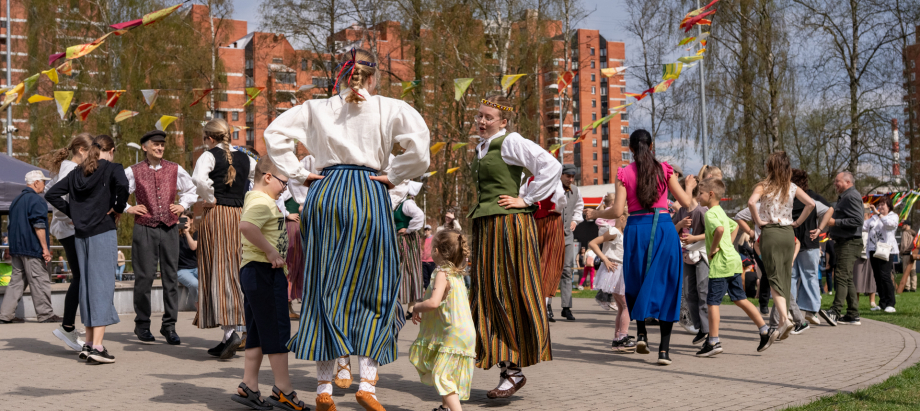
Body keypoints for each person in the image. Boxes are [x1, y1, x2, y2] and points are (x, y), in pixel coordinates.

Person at [263, 47, 430, 410]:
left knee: (326, 285)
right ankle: (367, 383)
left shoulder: (315, 108)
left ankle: (324, 387)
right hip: (370, 192)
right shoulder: (391, 108)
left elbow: (274, 134)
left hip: (326, 192)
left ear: (341, 74)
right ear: (373, 75)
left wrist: (299, 173)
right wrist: (395, 174)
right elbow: (420, 151)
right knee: (377, 285)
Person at [466, 95, 559, 397]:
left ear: (503, 122)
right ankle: (508, 368)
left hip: (509, 226)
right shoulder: (482, 148)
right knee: (489, 294)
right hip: (487, 225)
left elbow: (550, 165)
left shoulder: (510, 141)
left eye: (488, 117)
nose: (481, 121)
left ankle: (513, 370)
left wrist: (527, 199)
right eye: (479, 116)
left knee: (508, 290)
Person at [586, 129, 697, 366]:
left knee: (635, 282)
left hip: (637, 229)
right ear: (652, 145)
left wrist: (595, 212)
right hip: (664, 229)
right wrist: (689, 186)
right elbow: (687, 203)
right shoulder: (665, 170)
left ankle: (642, 335)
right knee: (668, 285)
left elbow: (617, 211)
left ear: (630, 148)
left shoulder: (624, 173)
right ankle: (664, 352)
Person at [230, 157, 306, 411]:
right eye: (283, 181)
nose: (285, 187)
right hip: (264, 271)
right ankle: (284, 389)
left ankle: (248, 385)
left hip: (255, 272)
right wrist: (272, 252)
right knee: (277, 330)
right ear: (268, 177)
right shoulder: (262, 202)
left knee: (259, 331)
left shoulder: (259, 200)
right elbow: (247, 227)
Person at [45, 134, 129, 364]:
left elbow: (50, 193)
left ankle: (90, 344)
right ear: (110, 150)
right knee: (101, 286)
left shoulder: (76, 173)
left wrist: (75, 213)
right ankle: (98, 347)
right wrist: (118, 208)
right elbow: (123, 186)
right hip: (102, 231)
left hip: (81, 235)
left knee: (88, 288)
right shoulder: (112, 168)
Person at [123, 130, 198, 346]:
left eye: (162, 145)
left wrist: (182, 205)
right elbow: (117, 193)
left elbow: (192, 189)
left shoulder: (175, 168)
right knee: (144, 277)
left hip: (169, 227)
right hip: (144, 227)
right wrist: (129, 208)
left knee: (170, 277)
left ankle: (169, 326)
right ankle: (142, 324)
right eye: (155, 144)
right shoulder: (133, 170)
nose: (160, 148)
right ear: (144, 147)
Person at [192, 118, 256, 359]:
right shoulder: (244, 156)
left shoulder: (208, 156)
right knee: (236, 268)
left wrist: (210, 197)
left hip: (217, 215)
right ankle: (234, 331)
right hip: (239, 216)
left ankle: (230, 333)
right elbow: (259, 176)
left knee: (219, 269)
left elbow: (198, 180)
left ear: (209, 138)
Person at [694, 178, 775, 357]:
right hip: (733, 261)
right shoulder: (720, 211)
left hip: (721, 264)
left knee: (712, 302)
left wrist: (715, 247)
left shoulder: (709, 214)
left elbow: (720, 230)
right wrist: (728, 246)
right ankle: (764, 330)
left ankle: (713, 341)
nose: (698, 197)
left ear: (710, 194)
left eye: (700, 193)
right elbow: (734, 226)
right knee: (740, 299)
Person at [746, 152, 815, 341]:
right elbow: (811, 204)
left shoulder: (764, 186)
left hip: (771, 233)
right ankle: (785, 319)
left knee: (774, 278)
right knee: (783, 279)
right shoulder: (792, 187)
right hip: (788, 234)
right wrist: (798, 223)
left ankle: (784, 319)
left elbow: (751, 202)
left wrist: (759, 220)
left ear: (770, 167)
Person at [409, 229, 476, 411]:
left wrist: (414, 307)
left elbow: (433, 303)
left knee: (442, 376)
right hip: (464, 333)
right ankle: (446, 408)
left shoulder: (442, 273)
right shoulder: (456, 274)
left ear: (436, 251)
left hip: (453, 333)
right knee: (448, 374)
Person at [43, 133, 92, 347]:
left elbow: (48, 188)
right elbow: (55, 196)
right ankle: (68, 327)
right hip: (70, 231)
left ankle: (69, 326)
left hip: (68, 229)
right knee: (81, 278)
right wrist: (72, 217)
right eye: (92, 152)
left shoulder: (68, 168)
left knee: (80, 277)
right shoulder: (70, 169)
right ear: (82, 150)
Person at [0, 170, 61, 324]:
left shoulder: (16, 200)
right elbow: (39, 225)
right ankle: (45, 314)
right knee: (40, 280)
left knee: (16, 281)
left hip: (17, 248)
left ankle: (5, 315)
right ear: (36, 183)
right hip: (32, 248)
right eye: (43, 182)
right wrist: (45, 249)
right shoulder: (36, 200)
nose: (44, 185)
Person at [789, 169, 833, 333]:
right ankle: (812, 310)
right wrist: (820, 228)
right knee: (810, 275)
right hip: (810, 241)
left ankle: (790, 311)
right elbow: (830, 209)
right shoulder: (811, 198)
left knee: (791, 277)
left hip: (792, 243)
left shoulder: (788, 198)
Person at [818, 171, 864, 326]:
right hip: (844, 242)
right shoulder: (846, 196)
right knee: (847, 278)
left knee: (841, 276)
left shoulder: (851, 196)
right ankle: (853, 314)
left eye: (837, 181)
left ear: (847, 182)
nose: (835, 184)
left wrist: (834, 223)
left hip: (849, 243)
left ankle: (835, 312)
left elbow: (858, 220)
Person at [588, 211, 635, 352]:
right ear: (622, 218)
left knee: (621, 307)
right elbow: (593, 243)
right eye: (628, 221)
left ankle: (617, 338)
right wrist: (605, 259)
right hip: (615, 272)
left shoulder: (621, 233)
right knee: (627, 306)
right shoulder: (614, 231)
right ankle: (622, 337)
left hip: (619, 271)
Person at [521, 176, 566, 323]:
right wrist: (556, 209)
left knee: (532, 261)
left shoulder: (529, 179)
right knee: (550, 262)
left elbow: (521, 197)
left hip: (533, 220)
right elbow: (560, 197)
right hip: (551, 220)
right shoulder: (553, 176)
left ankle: (530, 303)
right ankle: (542, 306)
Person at [672, 177, 710, 346]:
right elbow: (672, 231)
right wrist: (680, 224)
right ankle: (700, 327)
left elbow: (713, 233)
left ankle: (708, 330)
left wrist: (694, 238)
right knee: (689, 292)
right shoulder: (681, 212)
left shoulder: (702, 211)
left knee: (703, 292)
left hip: (701, 256)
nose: (677, 199)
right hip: (687, 257)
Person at [391, 180, 426, 310]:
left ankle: (411, 307)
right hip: (397, 239)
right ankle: (401, 305)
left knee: (410, 269)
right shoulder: (396, 203)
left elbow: (419, 215)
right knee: (399, 270)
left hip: (407, 240)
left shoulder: (407, 203)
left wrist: (408, 229)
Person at [555, 164, 584, 321]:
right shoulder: (552, 187)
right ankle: (547, 307)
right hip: (552, 234)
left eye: (573, 177)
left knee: (567, 271)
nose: (571, 179)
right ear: (561, 175)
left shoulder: (576, 191)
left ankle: (566, 307)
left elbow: (579, 207)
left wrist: (575, 220)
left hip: (567, 235)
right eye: (568, 176)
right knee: (552, 270)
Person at [864, 197, 898, 313]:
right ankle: (882, 303)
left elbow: (889, 225)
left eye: (883, 204)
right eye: (879, 204)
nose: (880, 206)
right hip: (874, 249)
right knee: (877, 277)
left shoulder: (893, 216)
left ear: (889, 206)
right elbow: (864, 226)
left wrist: (878, 213)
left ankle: (891, 303)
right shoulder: (873, 217)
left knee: (885, 276)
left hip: (886, 250)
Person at [177, 211, 199, 309]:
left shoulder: (196, 233)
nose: (184, 222)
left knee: (209, 280)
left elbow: (193, 246)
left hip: (195, 267)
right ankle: (198, 305)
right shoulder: (175, 234)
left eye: (186, 220)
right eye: (181, 219)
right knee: (195, 283)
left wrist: (187, 233)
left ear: (191, 221)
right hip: (181, 270)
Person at [898, 223, 916, 293]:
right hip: (913, 254)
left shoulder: (905, 233)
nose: (902, 226)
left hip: (906, 254)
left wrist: (901, 252)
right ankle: (914, 287)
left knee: (906, 270)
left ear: (907, 225)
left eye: (903, 225)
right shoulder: (913, 233)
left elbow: (904, 244)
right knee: (913, 271)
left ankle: (907, 287)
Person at [421, 226, 436, 291]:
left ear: (430, 230)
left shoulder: (433, 238)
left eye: (428, 230)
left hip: (431, 261)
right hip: (423, 261)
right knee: (425, 278)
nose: (426, 231)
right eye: (425, 230)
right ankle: (426, 291)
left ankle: (433, 291)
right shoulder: (422, 239)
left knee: (432, 277)